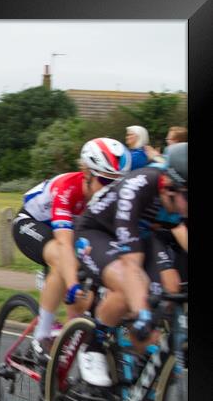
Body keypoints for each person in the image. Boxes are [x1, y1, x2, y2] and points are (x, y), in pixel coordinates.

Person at [73, 142, 187, 387]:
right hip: (99, 232)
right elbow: (131, 265)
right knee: (131, 288)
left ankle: (138, 357)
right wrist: (143, 313)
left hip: (143, 234)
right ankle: (93, 347)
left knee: (172, 287)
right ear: (169, 187)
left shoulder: (176, 195)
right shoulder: (137, 188)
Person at [12, 138, 132, 363]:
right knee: (63, 260)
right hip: (32, 224)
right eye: (105, 180)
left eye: (117, 184)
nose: (111, 189)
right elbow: (65, 243)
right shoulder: (68, 188)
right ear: (86, 171)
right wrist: (72, 284)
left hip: (69, 233)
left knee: (86, 300)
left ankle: (65, 357)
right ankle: (42, 336)